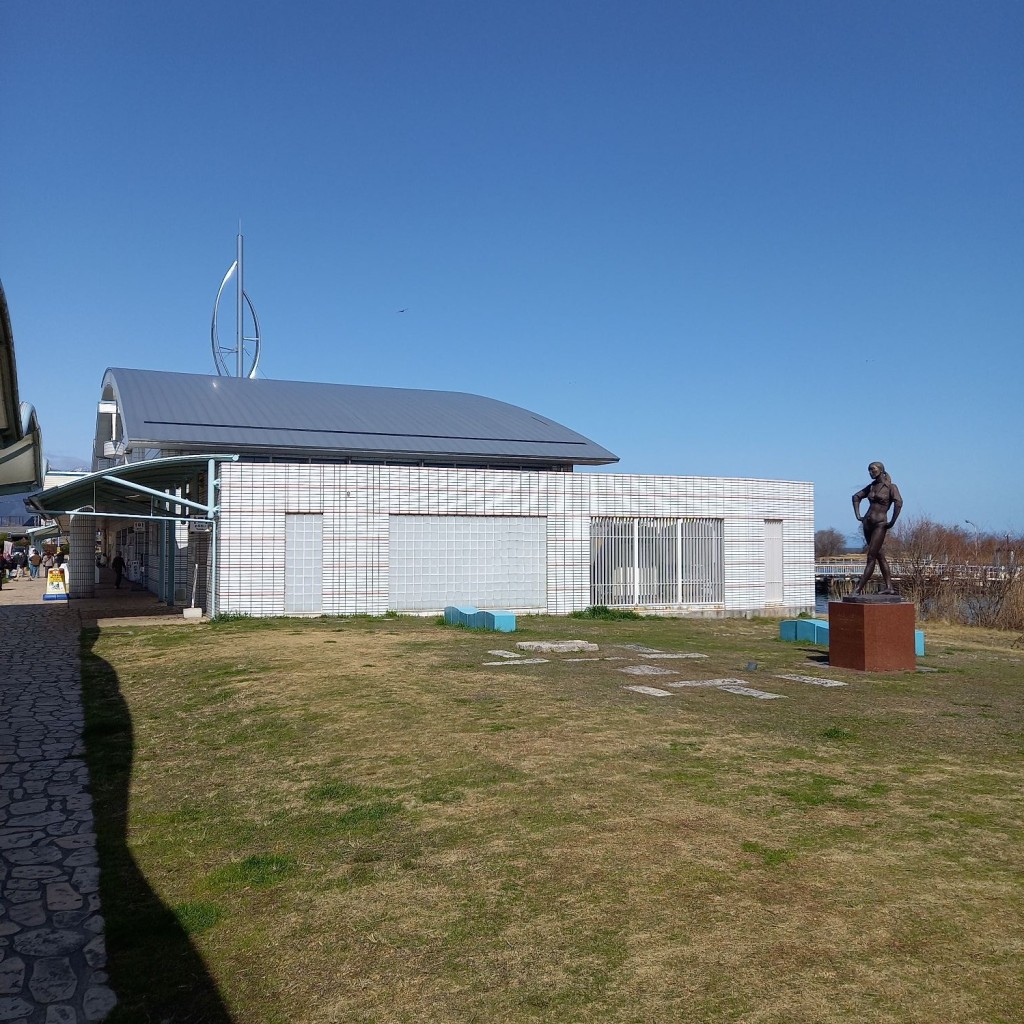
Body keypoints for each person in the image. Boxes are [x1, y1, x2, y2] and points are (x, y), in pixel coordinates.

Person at [852, 461, 903, 594]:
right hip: (867, 524)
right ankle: (889, 587)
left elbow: (899, 503)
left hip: (880, 524)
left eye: (872, 470)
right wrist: (858, 515)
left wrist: (892, 521)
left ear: (881, 470)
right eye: (869, 470)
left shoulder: (891, 487)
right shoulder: (871, 487)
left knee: (871, 556)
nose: (870, 473)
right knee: (879, 555)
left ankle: (858, 588)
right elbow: (856, 497)